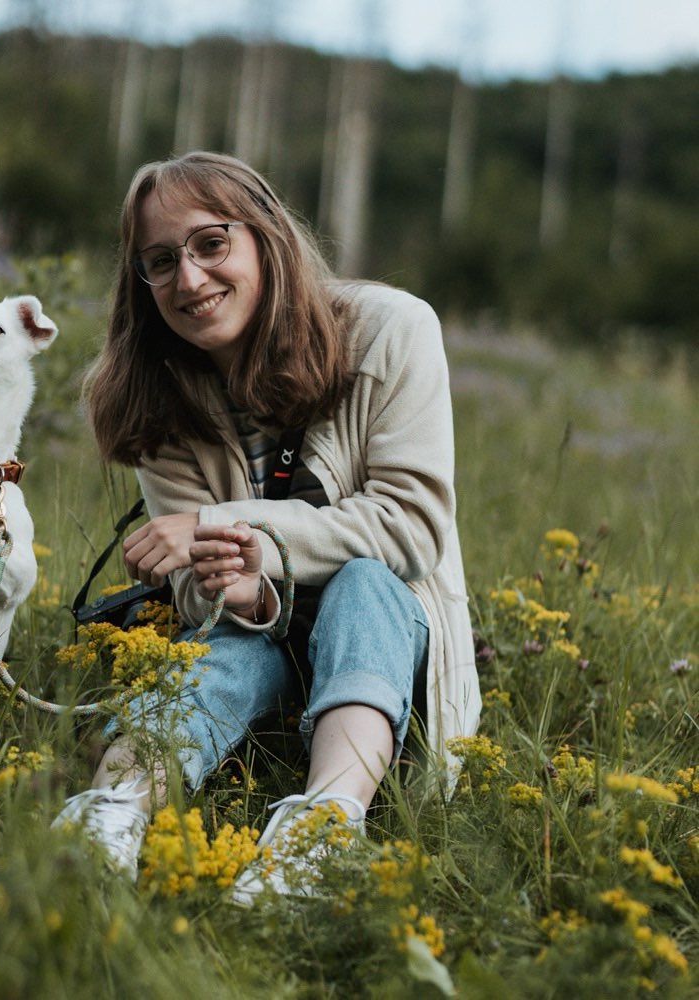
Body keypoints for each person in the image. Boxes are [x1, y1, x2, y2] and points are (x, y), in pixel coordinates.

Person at [55, 151, 479, 901]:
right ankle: (110, 811)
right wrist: (244, 592)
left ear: (266, 238)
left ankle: (321, 831)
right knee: (227, 633)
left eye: (211, 244)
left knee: (363, 581)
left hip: (388, 638)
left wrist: (222, 524)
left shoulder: (392, 330)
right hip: (259, 642)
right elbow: (192, 591)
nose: (189, 280)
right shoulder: (156, 392)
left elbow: (412, 526)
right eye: (160, 261)